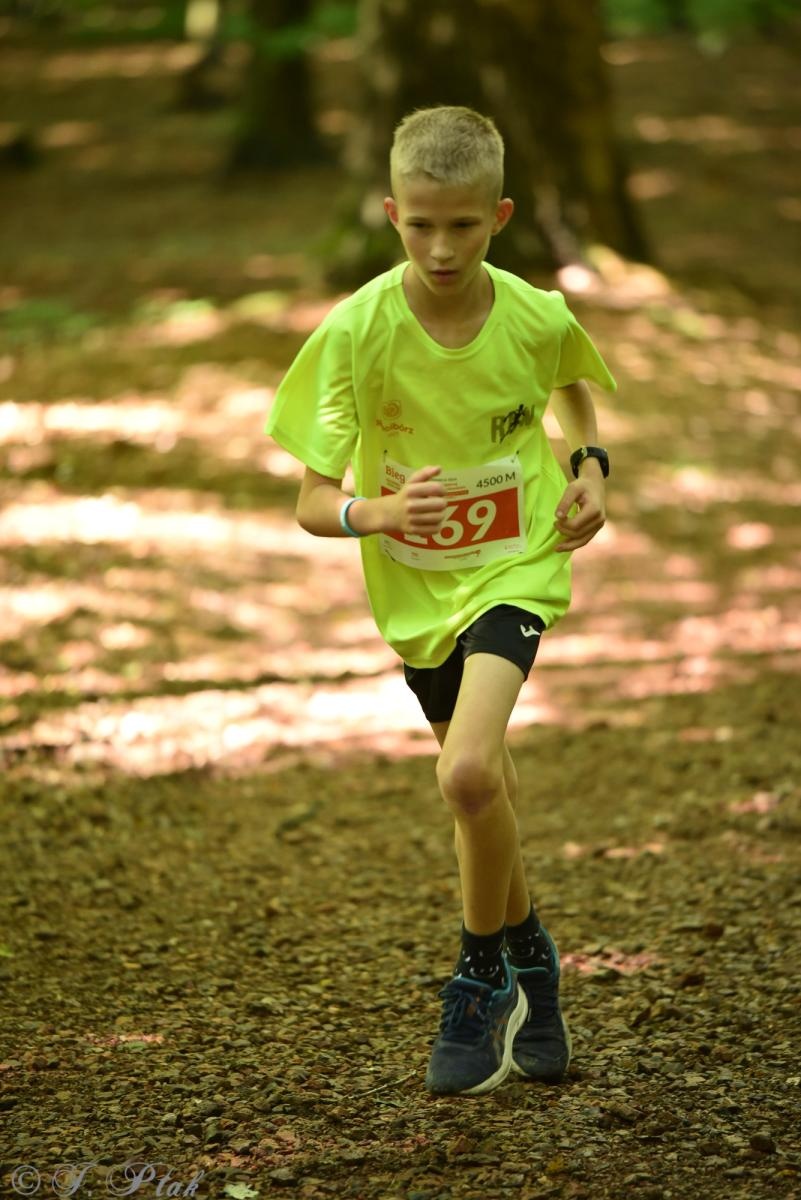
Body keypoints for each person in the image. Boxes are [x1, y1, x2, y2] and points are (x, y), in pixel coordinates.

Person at [265, 105, 616, 1097]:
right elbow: (305, 501)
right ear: (390, 213)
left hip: (519, 566)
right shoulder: (355, 332)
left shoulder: (538, 314)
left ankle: (479, 976)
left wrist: (590, 467)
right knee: (488, 792)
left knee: (465, 778)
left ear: (500, 216)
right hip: (416, 596)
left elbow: (572, 389)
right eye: (421, 224)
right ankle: (540, 972)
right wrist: (374, 512)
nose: (442, 245)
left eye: (463, 224)